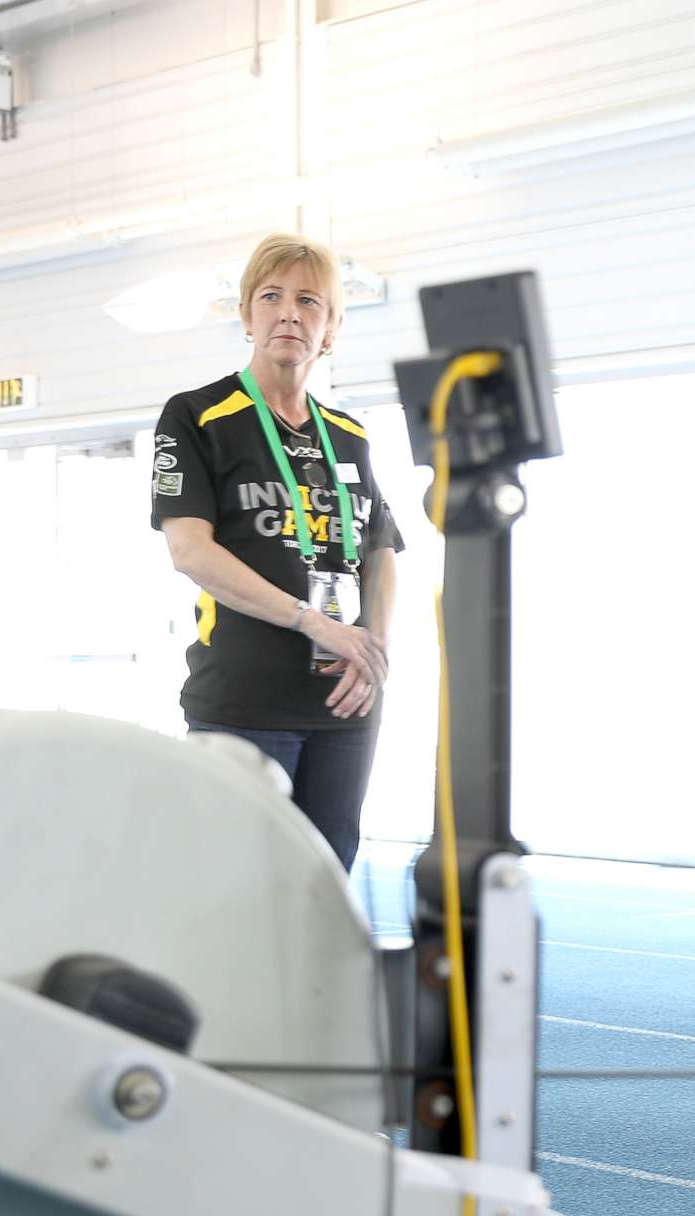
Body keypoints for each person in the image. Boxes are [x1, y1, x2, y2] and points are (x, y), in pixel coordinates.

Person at [152, 232, 403, 872]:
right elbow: (191, 552)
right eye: (271, 296)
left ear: (330, 330)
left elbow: (381, 552)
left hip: (344, 703)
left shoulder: (348, 435)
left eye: (310, 301)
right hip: (244, 702)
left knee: (325, 885)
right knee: (235, 888)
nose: (290, 312)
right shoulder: (197, 416)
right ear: (246, 316)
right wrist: (314, 621)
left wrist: (370, 649)